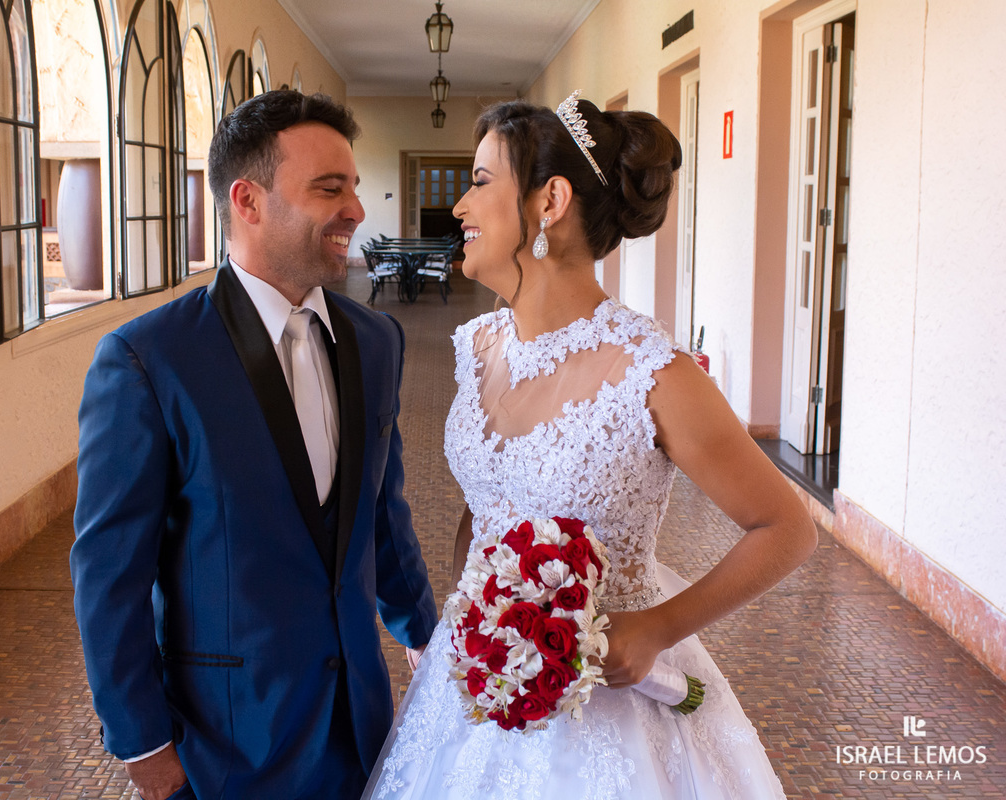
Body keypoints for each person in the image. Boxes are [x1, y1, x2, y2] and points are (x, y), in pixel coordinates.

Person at [362, 93, 817, 799]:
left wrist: (658, 628)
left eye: (480, 181)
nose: (460, 206)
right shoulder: (477, 347)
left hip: (613, 710)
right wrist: (473, 618)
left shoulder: (652, 372)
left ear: (550, 201)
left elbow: (786, 527)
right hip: (482, 683)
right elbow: (486, 506)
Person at [71, 90, 438, 800]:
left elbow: (381, 516)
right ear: (247, 200)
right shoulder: (149, 360)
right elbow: (109, 573)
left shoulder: (377, 341)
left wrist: (426, 637)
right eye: (329, 189)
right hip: (226, 742)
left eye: (353, 187)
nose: (356, 209)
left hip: (361, 724)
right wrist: (144, 745)